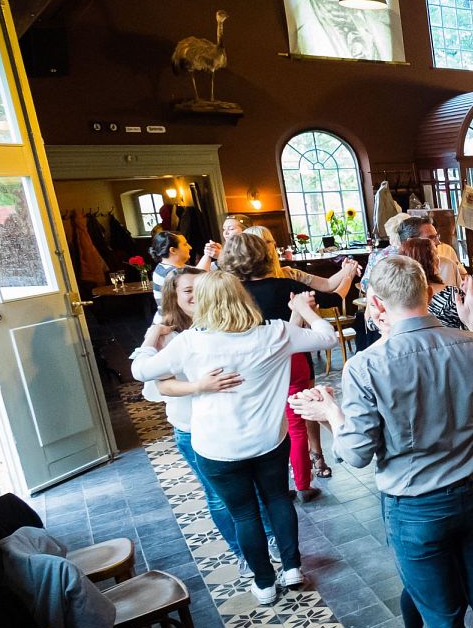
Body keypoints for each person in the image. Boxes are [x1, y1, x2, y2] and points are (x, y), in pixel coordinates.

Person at [291, 255, 473, 628]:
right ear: (425, 293)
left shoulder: (366, 366)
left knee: (443, 617)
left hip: (417, 507)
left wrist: (329, 414)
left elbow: (357, 453)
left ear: (375, 303)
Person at [133, 271, 336, 604]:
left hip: (218, 447)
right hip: (269, 439)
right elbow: (327, 337)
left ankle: (265, 584)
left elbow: (141, 371)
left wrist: (149, 339)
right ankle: (292, 568)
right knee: (278, 501)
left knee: (244, 514)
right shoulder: (276, 332)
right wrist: (305, 308)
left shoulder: (191, 342)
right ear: (242, 297)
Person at [221, 231, 357, 498]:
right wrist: (349, 274)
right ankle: (304, 485)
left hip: (249, 363)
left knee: (264, 425)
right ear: (264, 255)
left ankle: (274, 489)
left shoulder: (231, 295)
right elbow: (332, 298)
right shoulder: (284, 286)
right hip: (291, 359)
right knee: (296, 426)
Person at [132, 267, 244, 561]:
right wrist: (200, 386)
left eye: (200, 287)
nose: (196, 295)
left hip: (230, 422)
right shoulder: (168, 336)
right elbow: (163, 386)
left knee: (251, 492)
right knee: (219, 497)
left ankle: (267, 543)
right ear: (173, 297)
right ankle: (242, 553)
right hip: (191, 426)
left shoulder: (226, 323)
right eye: (187, 290)